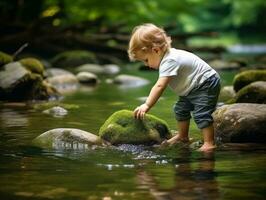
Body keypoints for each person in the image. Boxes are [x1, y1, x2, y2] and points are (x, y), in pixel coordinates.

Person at [127, 23, 220, 152]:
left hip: (205, 83)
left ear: (156, 50)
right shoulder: (167, 57)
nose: (147, 65)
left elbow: (160, 85)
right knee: (180, 109)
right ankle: (183, 137)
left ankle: (209, 143)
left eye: (146, 60)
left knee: (201, 113)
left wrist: (147, 105)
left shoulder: (170, 60)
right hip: (191, 87)